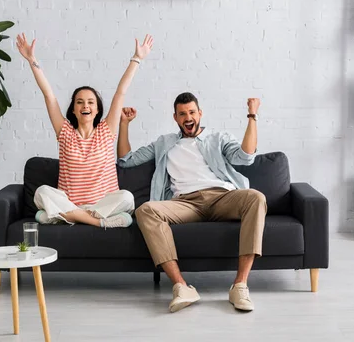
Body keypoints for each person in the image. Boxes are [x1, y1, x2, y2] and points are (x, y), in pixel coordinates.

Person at [117, 92, 266, 312]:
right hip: (185, 203)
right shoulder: (164, 143)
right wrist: (124, 124)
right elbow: (126, 160)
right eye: (183, 114)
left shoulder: (218, 138)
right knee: (146, 210)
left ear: (200, 114)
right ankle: (181, 286)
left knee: (256, 197)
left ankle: (240, 285)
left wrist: (252, 115)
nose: (188, 117)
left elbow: (245, 156)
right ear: (176, 118)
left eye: (192, 112)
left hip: (221, 196)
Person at [16, 32, 154, 228]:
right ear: (74, 109)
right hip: (71, 203)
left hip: (101, 205)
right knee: (41, 193)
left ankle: (64, 217)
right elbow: (49, 96)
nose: (85, 105)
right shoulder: (65, 132)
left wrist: (137, 58)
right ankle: (94, 222)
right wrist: (32, 60)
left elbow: (120, 91)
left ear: (97, 109)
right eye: (79, 102)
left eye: (90, 102)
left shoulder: (106, 131)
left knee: (127, 197)